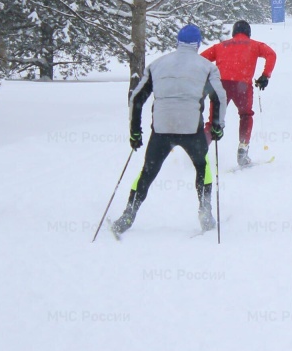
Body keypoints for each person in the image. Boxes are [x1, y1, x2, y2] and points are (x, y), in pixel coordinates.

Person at [111, 24, 227, 236]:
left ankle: (128, 214)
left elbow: (137, 98)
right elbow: (218, 97)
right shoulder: (207, 67)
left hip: (162, 128)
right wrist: (217, 125)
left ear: (177, 42)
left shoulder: (158, 64)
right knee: (203, 167)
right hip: (192, 129)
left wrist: (135, 132)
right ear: (198, 44)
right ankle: (205, 212)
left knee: (147, 172)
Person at [201, 20, 277, 166]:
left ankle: (201, 148)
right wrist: (265, 75)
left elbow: (200, 59)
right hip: (243, 86)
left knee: (213, 122)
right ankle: (243, 148)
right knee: (246, 115)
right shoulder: (255, 45)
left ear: (233, 32)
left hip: (221, 84)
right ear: (248, 32)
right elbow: (271, 54)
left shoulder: (221, 46)